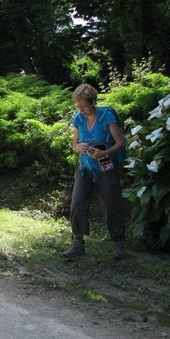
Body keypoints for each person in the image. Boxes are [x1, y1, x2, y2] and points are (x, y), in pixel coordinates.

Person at [63, 83, 127, 260]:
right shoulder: (78, 119)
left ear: (93, 102)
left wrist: (103, 153)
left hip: (106, 168)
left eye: (84, 106)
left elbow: (120, 142)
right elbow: (74, 144)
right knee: (77, 204)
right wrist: (80, 147)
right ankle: (78, 243)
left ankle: (118, 244)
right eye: (78, 106)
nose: (81, 110)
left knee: (112, 205)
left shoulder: (106, 116)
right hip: (85, 169)